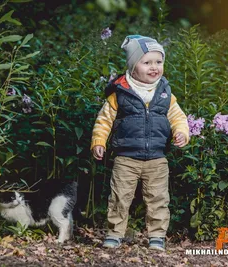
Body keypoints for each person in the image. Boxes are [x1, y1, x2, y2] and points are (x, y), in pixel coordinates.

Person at [91, 35, 189, 251]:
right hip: (125, 158)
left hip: (157, 158)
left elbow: (178, 117)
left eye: (158, 62)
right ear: (133, 66)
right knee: (119, 197)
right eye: (147, 62)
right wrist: (99, 141)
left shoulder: (165, 93)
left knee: (158, 199)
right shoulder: (120, 93)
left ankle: (157, 236)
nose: (154, 67)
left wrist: (181, 132)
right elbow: (104, 119)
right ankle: (115, 233)